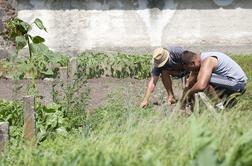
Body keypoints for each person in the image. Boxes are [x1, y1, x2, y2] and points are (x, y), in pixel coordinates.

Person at [181, 50, 248, 107]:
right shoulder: (199, 61)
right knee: (201, 79)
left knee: (205, 80)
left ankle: (219, 108)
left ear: (193, 63)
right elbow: (189, 84)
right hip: (229, 81)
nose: (191, 71)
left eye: (190, 69)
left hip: (238, 83)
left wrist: (189, 94)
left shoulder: (207, 61)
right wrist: (182, 104)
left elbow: (201, 86)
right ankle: (228, 103)